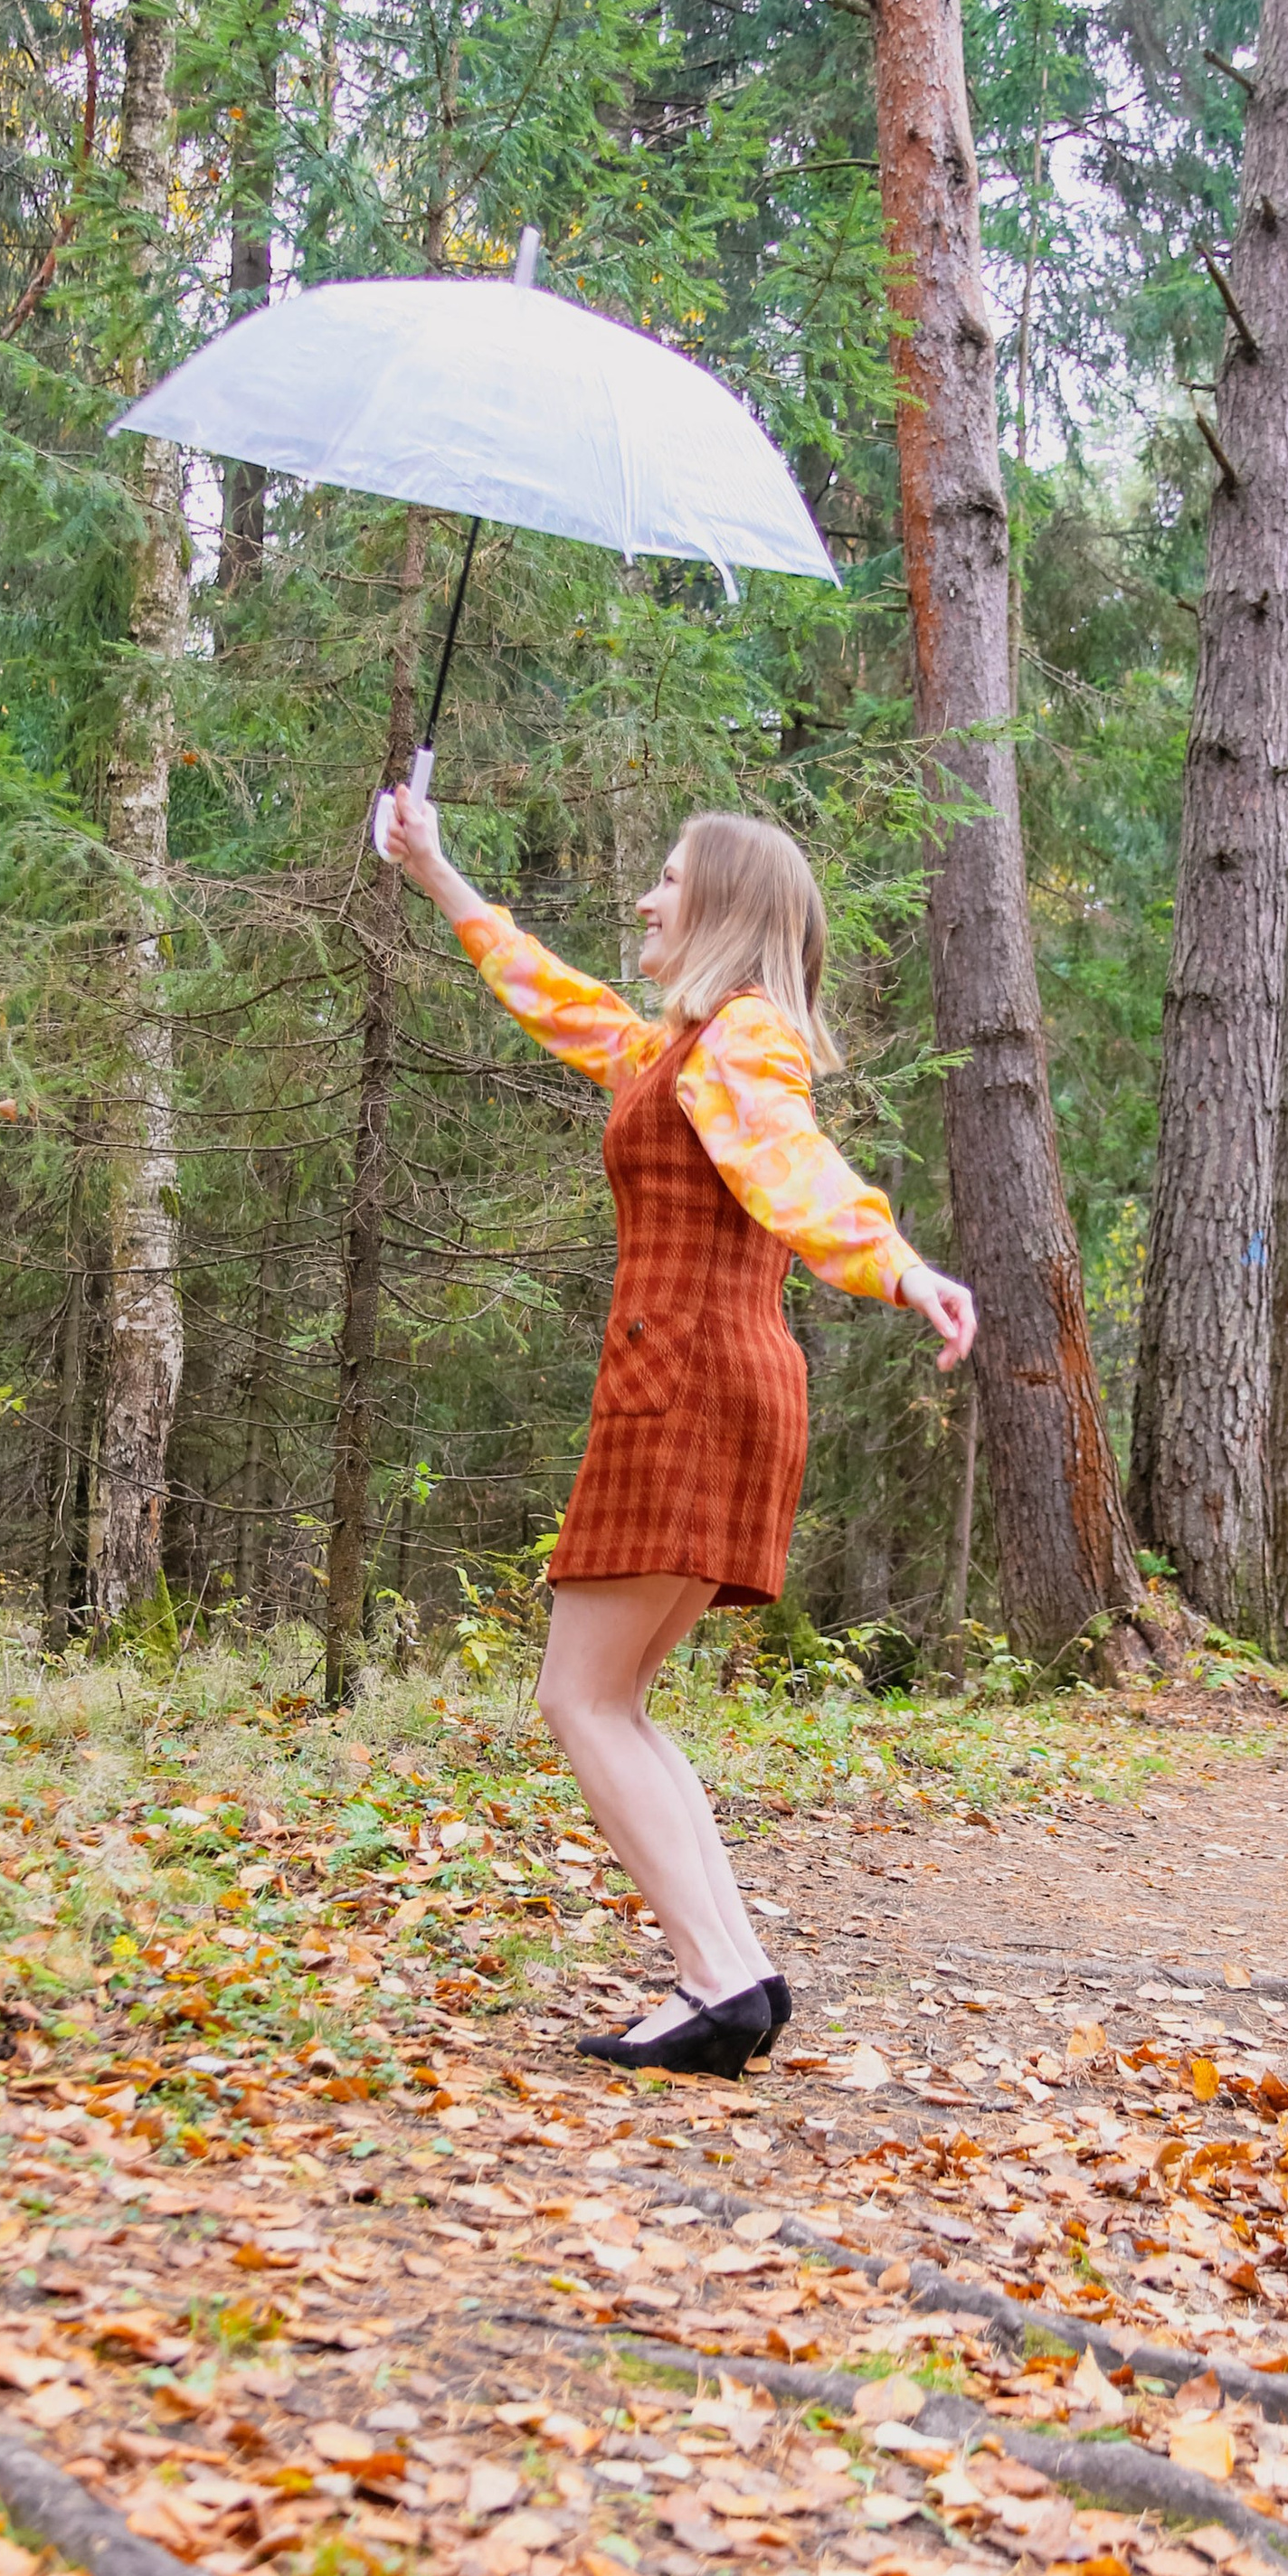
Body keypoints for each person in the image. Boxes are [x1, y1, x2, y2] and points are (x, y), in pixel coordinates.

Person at [374, 788, 976, 2082]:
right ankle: (736, 1972)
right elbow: (560, 1000)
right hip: (708, 1382)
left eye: (666, 879)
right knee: (617, 1701)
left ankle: (714, 1977)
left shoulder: (744, 1039)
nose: (646, 898)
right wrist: (439, 871)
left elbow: (795, 1164)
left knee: (578, 1695)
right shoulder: (678, 1046)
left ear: (723, 909)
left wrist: (897, 1263)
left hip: (690, 1386)